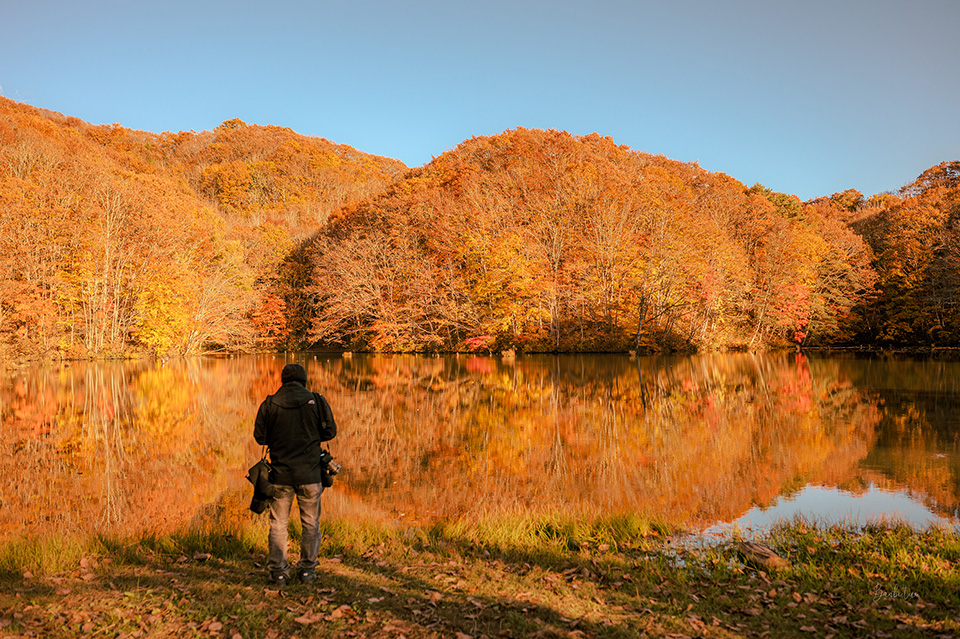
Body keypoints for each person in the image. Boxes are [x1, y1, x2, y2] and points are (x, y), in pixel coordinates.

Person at [254, 363, 337, 585]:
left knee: (278, 524)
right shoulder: (317, 401)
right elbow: (330, 431)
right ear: (304, 380)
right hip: (310, 474)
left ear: (283, 380)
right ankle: (307, 570)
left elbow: (260, 437)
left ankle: (279, 572)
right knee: (310, 523)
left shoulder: (270, 403)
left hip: (280, 475)